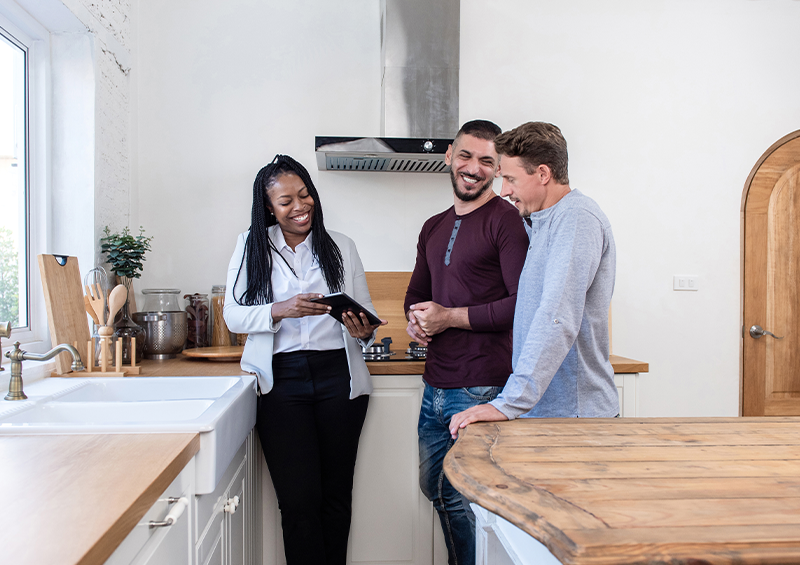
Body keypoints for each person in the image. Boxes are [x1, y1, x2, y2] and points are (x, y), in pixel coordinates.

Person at [223, 154, 385, 565]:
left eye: (305, 194)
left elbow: (364, 313)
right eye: (285, 201)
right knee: (298, 502)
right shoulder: (251, 245)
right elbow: (233, 314)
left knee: (335, 498)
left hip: (339, 379)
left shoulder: (341, 246)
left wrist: (363, 330)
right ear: (269, 208)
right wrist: (281, 309)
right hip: (282, 383)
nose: (300, 206)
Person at [404, 120, 529, 565]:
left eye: (486, 161)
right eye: (466, 156)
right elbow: (417, 294)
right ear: (449, 156)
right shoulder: (433, 226)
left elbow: (521, 305)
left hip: (483, 387)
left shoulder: (507, 221)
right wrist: (416, 321)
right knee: (435, 488)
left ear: (497, 170)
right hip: (435, 384)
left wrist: (449, 318)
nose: (473, 168)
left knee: (467, 498)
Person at [449, 121, 619, 438]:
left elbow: (558, 316)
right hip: (548, 412)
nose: (504, 191)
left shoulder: (576, 218)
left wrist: (509, 402)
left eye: (511, 179)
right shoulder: (542, 222)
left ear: (543, 174)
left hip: (574, 417)